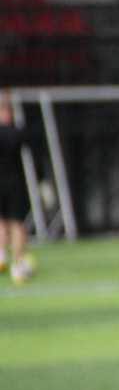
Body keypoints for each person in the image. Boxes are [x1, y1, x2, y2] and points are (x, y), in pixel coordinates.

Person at [0, 92, 36, 285]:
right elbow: (34, 148)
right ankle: (16, 266)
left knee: (2, 222)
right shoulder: (18, 132)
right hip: (15, 183)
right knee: (16, 224)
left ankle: (1, 256)